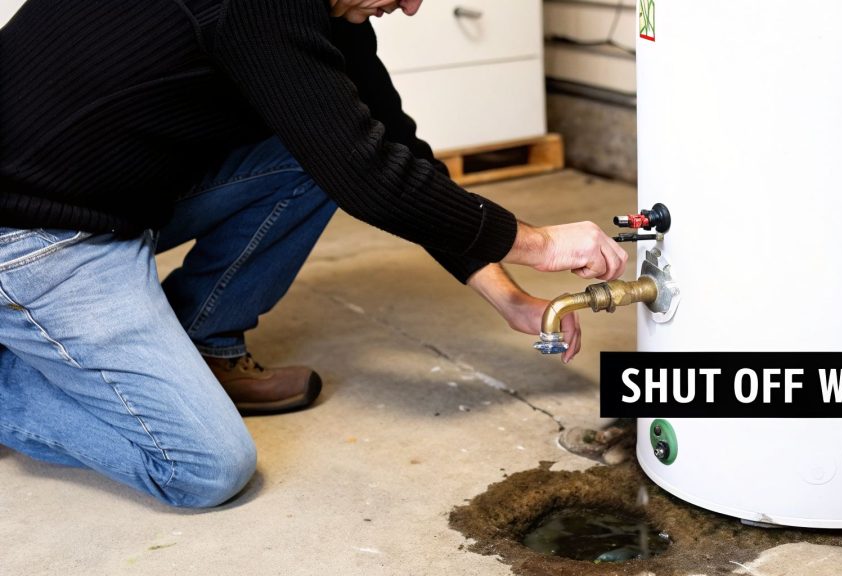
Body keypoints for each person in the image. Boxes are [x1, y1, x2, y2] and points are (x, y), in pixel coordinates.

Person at [0, 0, 628, 507]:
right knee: (204, 467)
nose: (411, 8)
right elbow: (371, 179)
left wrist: (509, 296)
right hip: (34, 235)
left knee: (313, 157)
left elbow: (393, 155)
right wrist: (540, 244)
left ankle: (203, 344)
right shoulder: (258, 7)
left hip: (111, 192)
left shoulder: (326, 14)